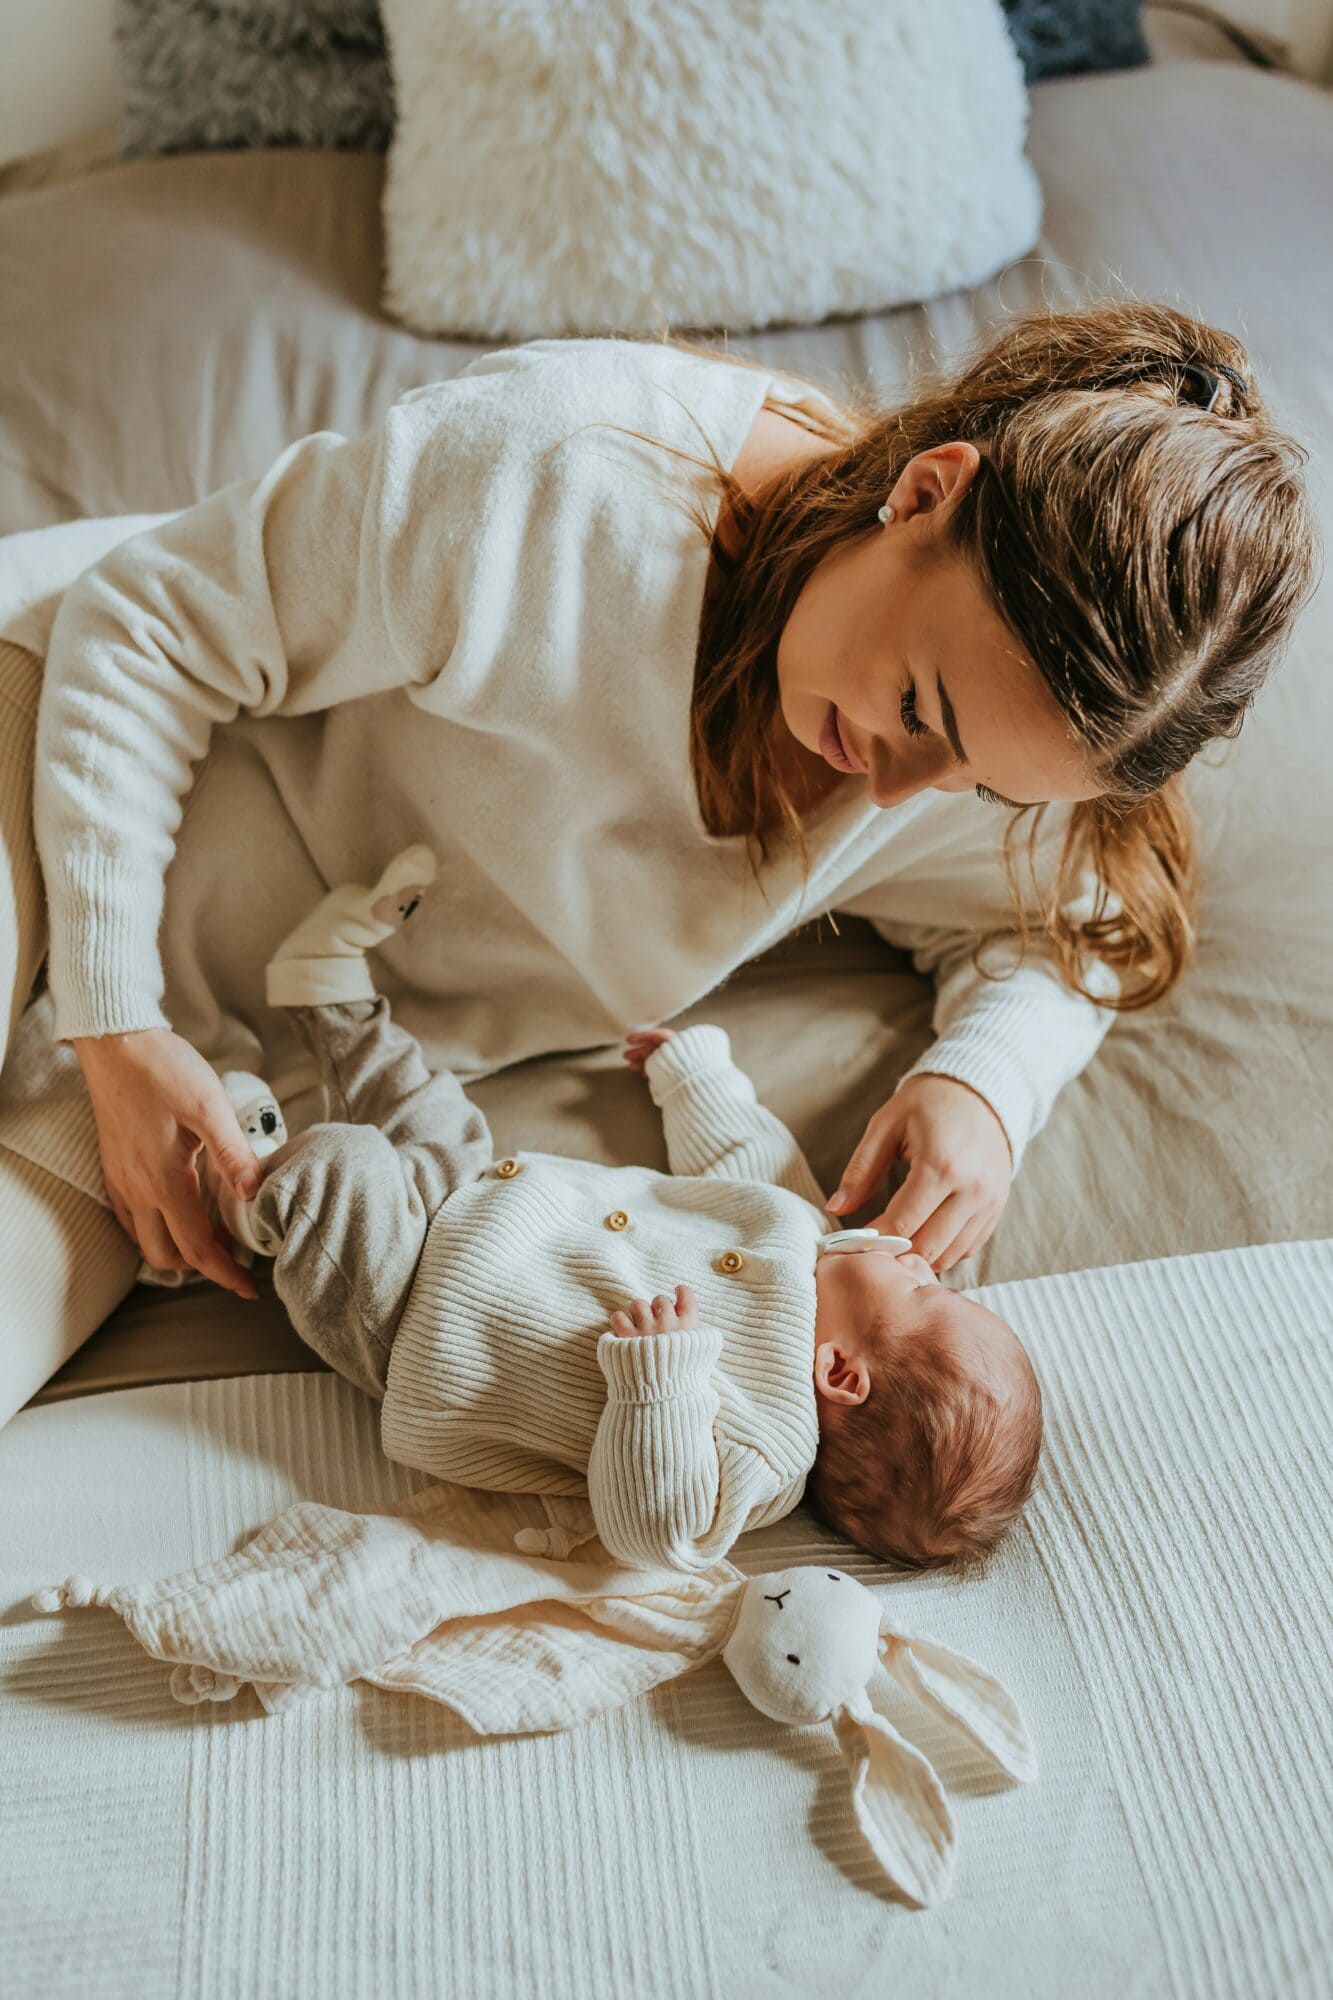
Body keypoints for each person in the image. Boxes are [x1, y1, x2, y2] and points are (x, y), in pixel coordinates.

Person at [0, 301, 1317, 1425]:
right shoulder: (562, 474)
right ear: (926, 493)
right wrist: (113, 1018)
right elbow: (151, 621)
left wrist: (984, 1084)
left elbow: (1067, 930)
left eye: (974, 781)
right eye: (923, 713)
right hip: (56, 742)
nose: (910, 792)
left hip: (247, 1051)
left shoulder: (968, 752)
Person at [211, 848, 1041, 1572]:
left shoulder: (765, 1447)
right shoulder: (808, 1237)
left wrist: (659, 1386)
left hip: (416, 1319)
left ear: (840, 1372)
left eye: (929, 1293)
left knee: (343, 1169)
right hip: (482, 1195)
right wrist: (692, 1075)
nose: (925, 1261)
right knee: (423, 1103)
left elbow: (656, 1533)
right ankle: (326, 994)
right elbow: (741, 1158)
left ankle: (241, 1200)